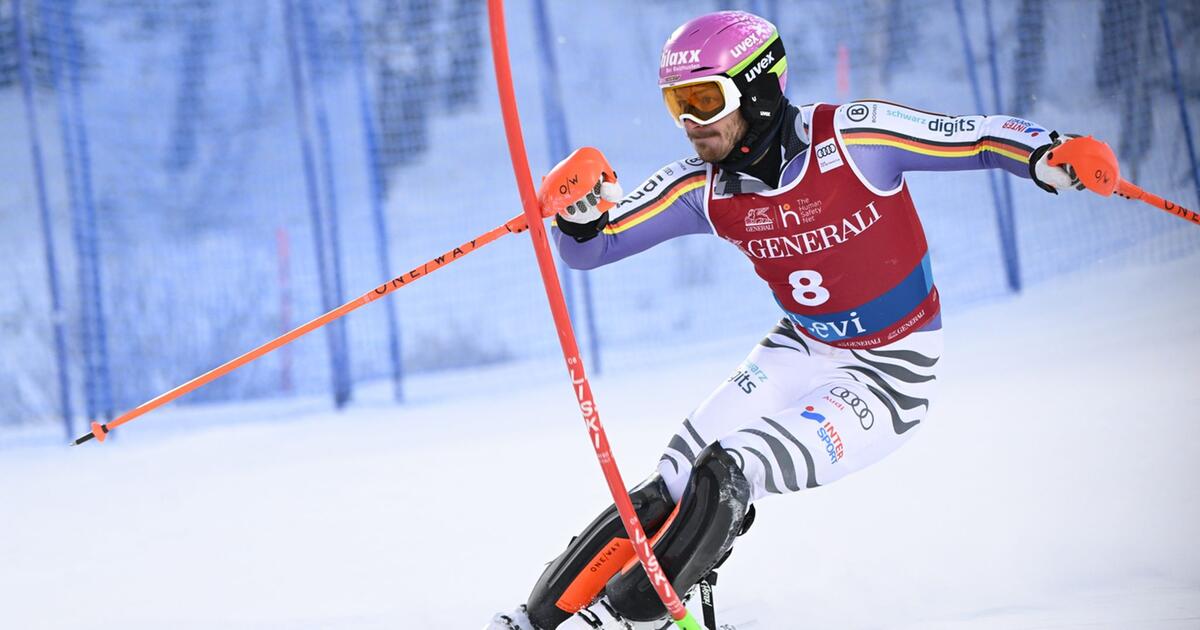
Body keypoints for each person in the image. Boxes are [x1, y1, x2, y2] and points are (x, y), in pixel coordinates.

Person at [487, 10, 1084, 630]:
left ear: (758, 88)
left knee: (731, 470)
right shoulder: (705, 188)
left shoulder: (854, 140)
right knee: (673, 478)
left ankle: (630, 618)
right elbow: (594, 248)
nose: (690, 123)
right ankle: (535, 621)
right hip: (800, 348)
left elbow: (976, 136)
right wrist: (578, 212)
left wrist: (1049, 153)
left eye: (704, 99)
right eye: (676, 105)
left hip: (889, 373)